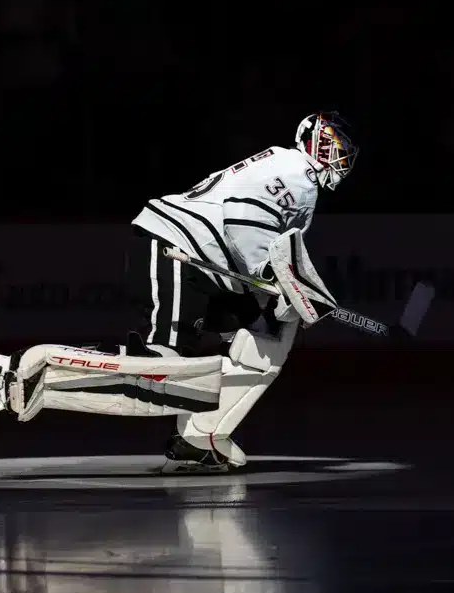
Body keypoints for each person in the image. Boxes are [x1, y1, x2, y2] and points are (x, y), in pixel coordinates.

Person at [127, 111, 355, 472]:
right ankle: (79, 373)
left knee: (267, 334)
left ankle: (200, 437)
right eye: (337, 146)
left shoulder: (291, 169)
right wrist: (273, 276)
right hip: (183, 246)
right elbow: (245, 216)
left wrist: (289, 294)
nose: (342, 157)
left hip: (209, 261)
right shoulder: (300, 173)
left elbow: (272, 248)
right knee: (162, 360)